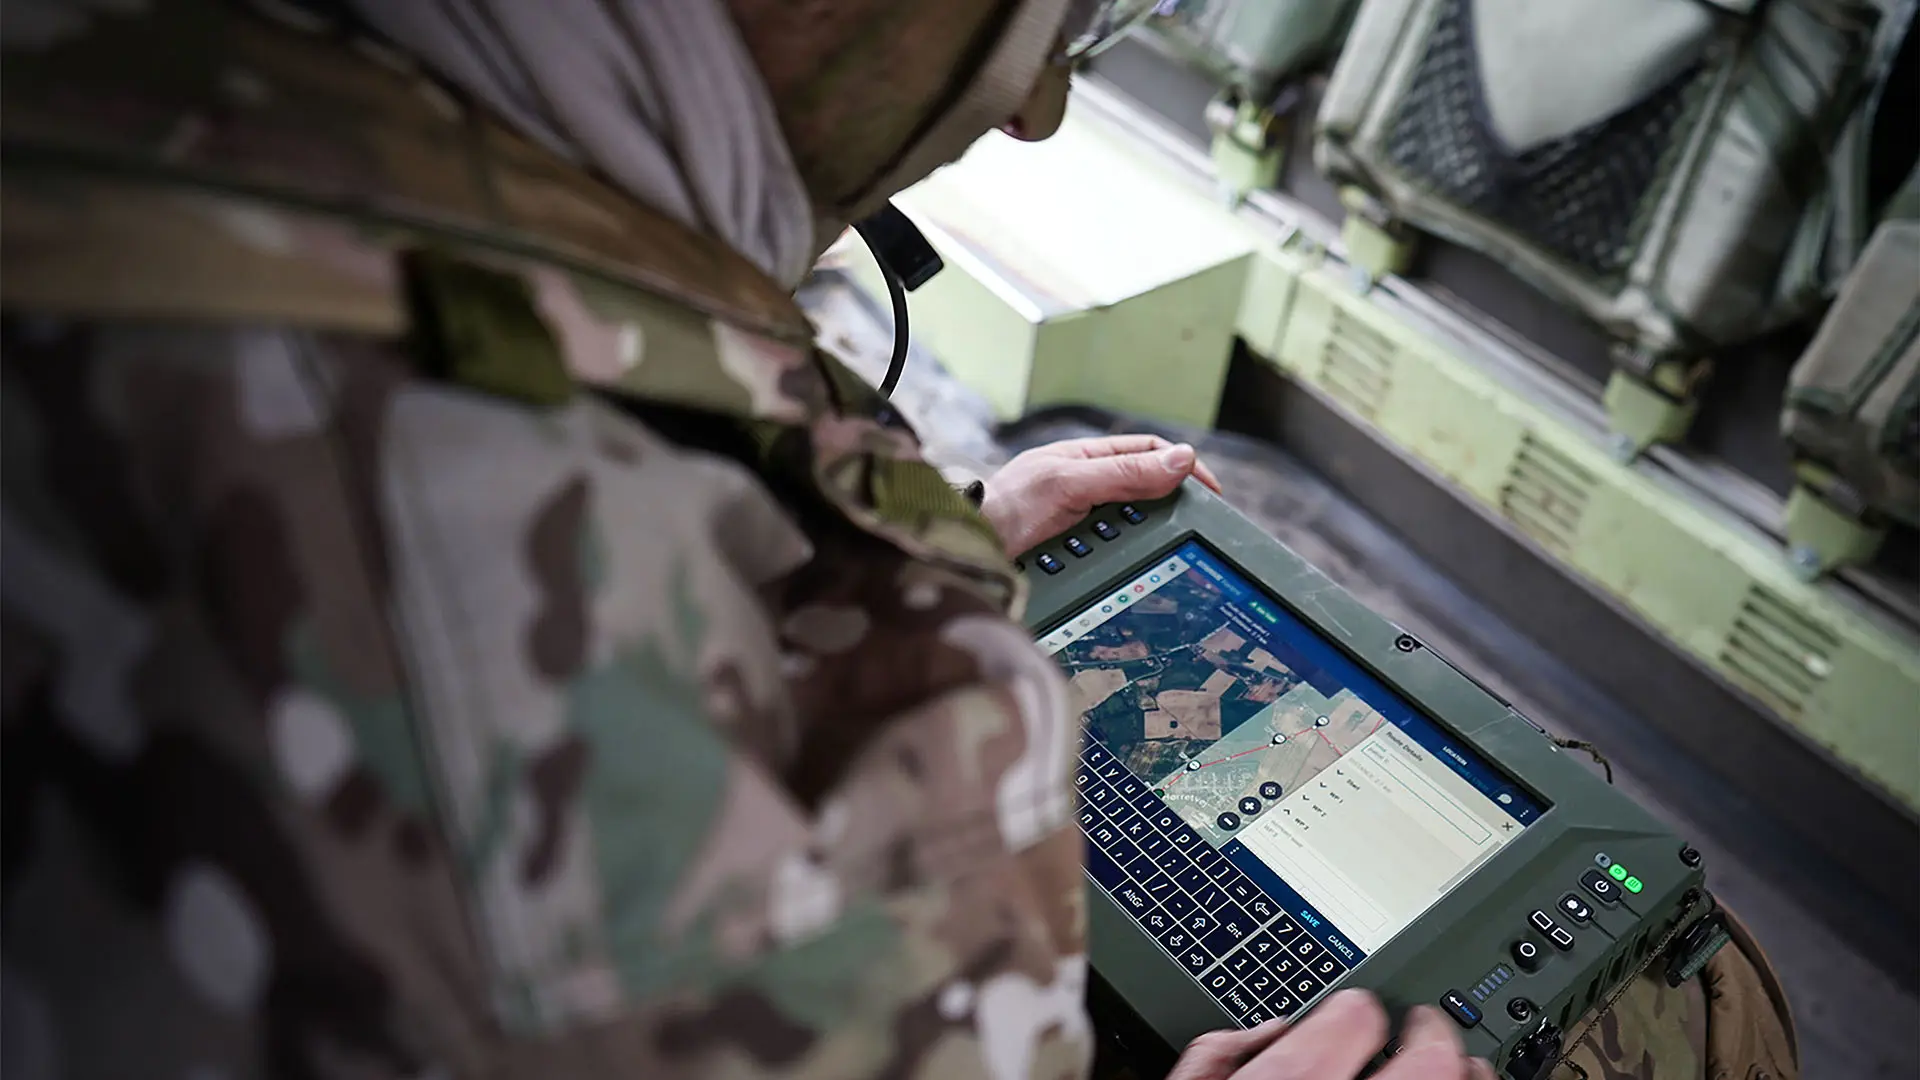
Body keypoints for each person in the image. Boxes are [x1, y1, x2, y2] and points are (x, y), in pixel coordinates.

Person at [0, 1, 1796, 1078]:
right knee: (1696, 996)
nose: (1029, 108)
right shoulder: (460, 640)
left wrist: (807, 582)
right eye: (1041, 28)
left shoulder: (193, 106)